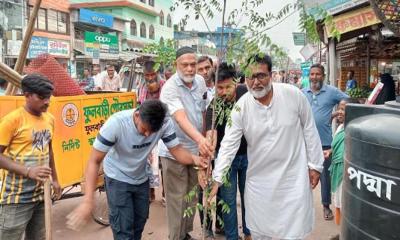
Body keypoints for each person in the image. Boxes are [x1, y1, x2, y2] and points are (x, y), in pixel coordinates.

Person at [205, 53, 324, 240]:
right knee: (260, 230)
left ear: (271, 74)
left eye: (261, 75)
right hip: (260, 180)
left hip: (292, 179)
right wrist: (217, 178)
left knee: (293, 231)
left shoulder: (293, 95)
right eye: (251, 77)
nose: (256, 82)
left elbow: (309, 129)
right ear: (245, 79)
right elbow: (228, 144)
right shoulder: (241, 107)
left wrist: (315, 165)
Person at [66, 99, 208, 240]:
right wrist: (88, 200)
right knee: (123, 230)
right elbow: (94, 161)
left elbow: (176, 150)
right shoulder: (116, 125)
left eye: (152, 132)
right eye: (144, 129)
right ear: (137, 115)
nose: (147, 135)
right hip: (117, 179)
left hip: (141, 178)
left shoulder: (165, 123)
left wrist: (195, 159)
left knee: (139, 224)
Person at [159, 46, 213, 240]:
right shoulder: (169, 89)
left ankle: (185, 234)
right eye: (185, 65)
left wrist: (207, 137)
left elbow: (205, 112)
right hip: (174, 151)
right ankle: (176, 237)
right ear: (176, 65)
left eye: (193, 65)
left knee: (191, 198)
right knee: (176, 200)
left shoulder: (200, 82)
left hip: (196, 152)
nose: (190, 69)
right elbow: (180, 118)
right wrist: (201, 140)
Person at [0, 74, 61, 240]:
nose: (47, 102)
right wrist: (28, 171)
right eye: (41, 97)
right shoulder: (13, 120)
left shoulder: (49, 119)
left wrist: (55, 179)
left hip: (42, 195)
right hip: (16, 198)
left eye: (48, 97)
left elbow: (49, 151)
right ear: (27, 95)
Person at [206, 63, 250, 240]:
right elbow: (211, 135)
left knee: (250, 198)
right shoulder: (214, 107)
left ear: (236, 82)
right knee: (229, 202)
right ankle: (232, 237)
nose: (223, 92)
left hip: (249, 156)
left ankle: (249, 233)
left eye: (227, 87)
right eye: (219, 88)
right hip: (226, 161)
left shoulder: (246, 94)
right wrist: (208, 155)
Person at [301, 63, 348, 221]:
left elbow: (348, 102)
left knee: (324, 178)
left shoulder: (331, 92)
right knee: (302, 175)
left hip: (325, 143)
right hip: (305, 143)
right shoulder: (303, 93)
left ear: (323, 76)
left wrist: (337, 113)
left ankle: (326, 206)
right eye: (312, 74)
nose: (314, 77)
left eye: (318, 74)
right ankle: (301, 207)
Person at [138, 60, 166, 202]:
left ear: (158, 74)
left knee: (164, 161)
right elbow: (139, 107)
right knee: (147, 160)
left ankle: (165, 194)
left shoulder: (165, 87)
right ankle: (151, 192)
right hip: (148, 128)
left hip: (164, 126)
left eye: (152, 74)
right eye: (147, 75)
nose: (149, 78)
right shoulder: (142, 87)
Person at [326, 99, 351, 240]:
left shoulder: (350, 130)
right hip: (337, 169)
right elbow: (338, 147)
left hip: (344, 173)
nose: (339, 112)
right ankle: (342, 232)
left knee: (344, 205)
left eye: (343, 109)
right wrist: (330, 151)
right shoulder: (341, 127)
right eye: (339, 109)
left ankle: (345, 233)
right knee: (339, 203)